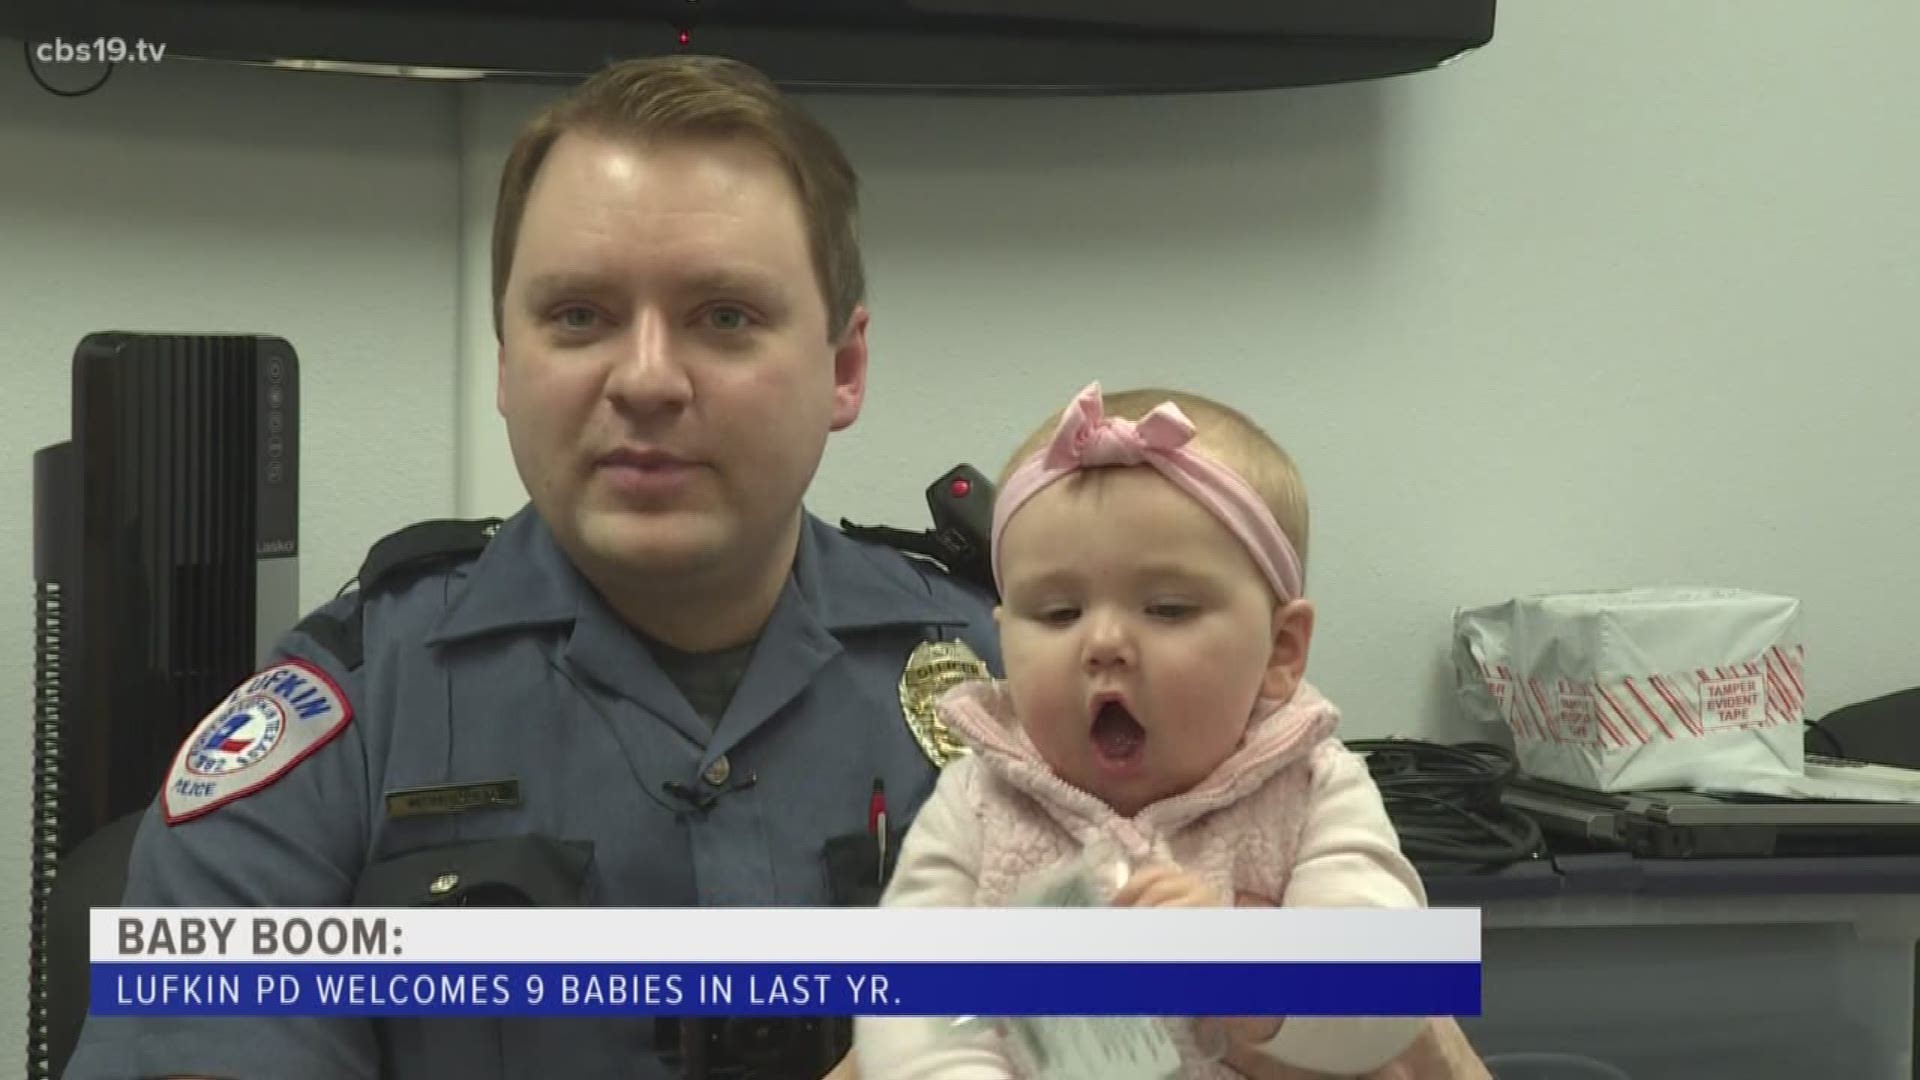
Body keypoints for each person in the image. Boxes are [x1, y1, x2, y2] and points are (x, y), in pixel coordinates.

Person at [64, 53, 1491, 1080]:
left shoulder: (1030, 676)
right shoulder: (337, 731)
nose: (645, 378)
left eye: (725, 316)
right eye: (575, 315)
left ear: (845, 366)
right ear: (504, 362)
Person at [855, 383, 1433, 1079]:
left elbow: (1393, 978)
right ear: (1004, 641)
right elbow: (912, 1013)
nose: (1103, 643)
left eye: (1166, 607)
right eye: (1060, 612)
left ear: (1280, 650)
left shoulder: (1312, 786)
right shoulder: (977, 802)